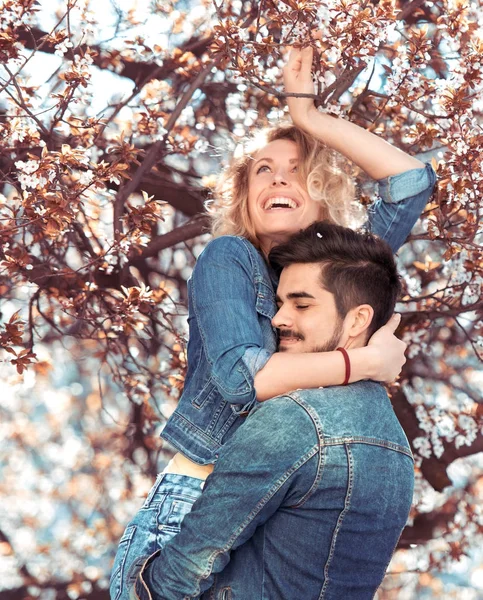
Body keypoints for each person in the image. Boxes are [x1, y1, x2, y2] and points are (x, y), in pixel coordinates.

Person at [110, 46, 436, 600]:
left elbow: (409, 181)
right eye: (264, 171)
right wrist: (364, 361)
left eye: (298, 173)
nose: (279, 180)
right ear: (244, 195)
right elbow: (243, 379)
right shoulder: (229, 259)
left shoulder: (337, 269)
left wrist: (310, 118)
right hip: (194, 502)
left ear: (324, 198)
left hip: (272, 498)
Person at [131, 221, 415, 600]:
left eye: (301, 304)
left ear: (358, 320)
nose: (279, 319)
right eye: (280, 303)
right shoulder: (397, 447)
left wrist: (145, 580)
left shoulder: (295, 417)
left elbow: (181, 574)